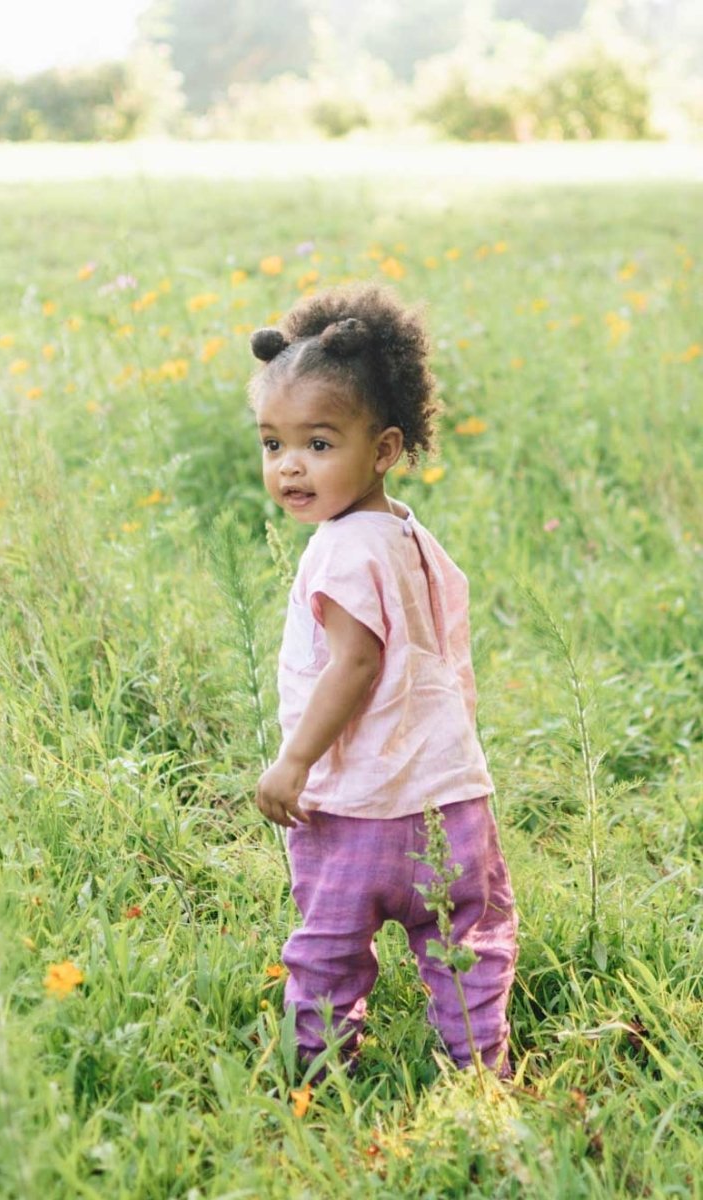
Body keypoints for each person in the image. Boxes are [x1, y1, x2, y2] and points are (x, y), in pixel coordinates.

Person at [248, 282, 517, 1080]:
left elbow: (356, 663)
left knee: (329, 946)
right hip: (450, 799)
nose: (291, 465)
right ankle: (482, 1068)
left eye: (319, 444)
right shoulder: (407, 534)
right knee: (466, 943)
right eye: (273, 444)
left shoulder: (340, 549)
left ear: (386, 448)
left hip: (356, 809)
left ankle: (318, 1072)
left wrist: (294, 760)